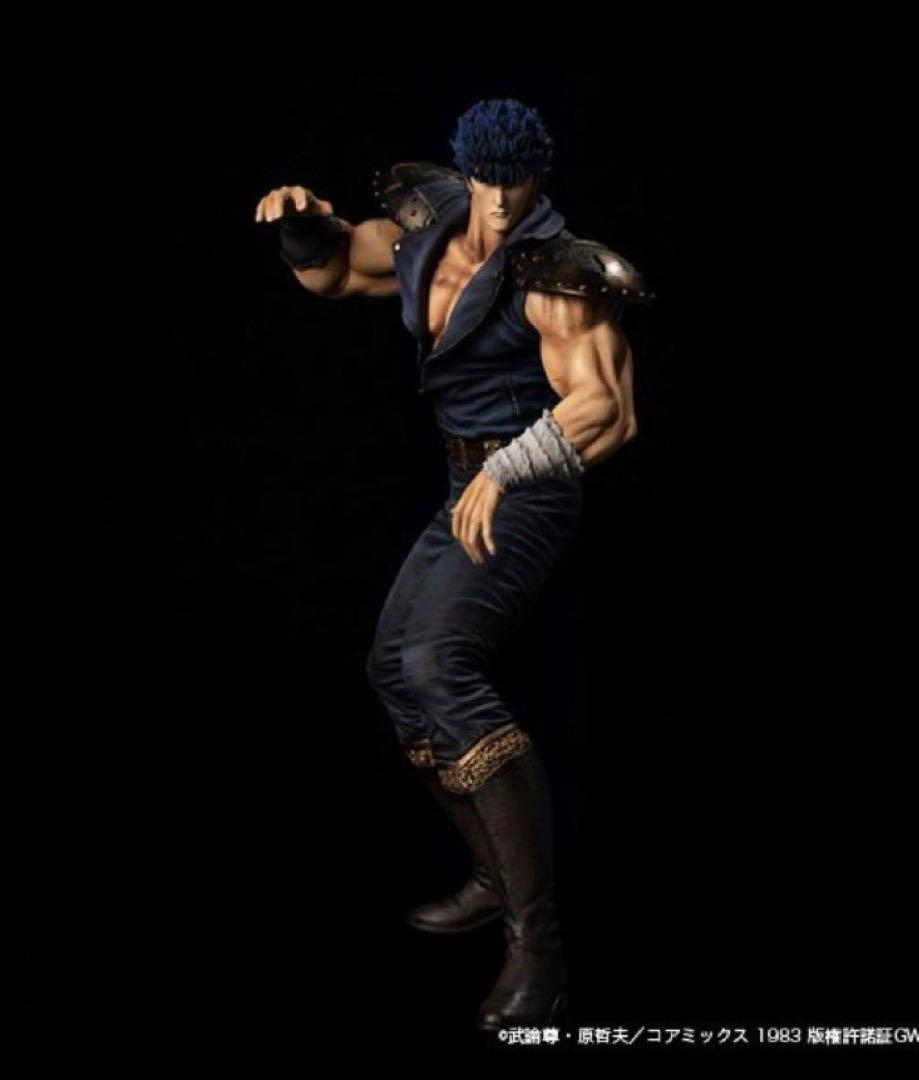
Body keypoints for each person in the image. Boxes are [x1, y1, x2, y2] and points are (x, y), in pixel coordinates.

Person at [255, 98, 653, 1032]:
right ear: (464, 172)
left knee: (439, 664)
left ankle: (537, 944)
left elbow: (609, 412)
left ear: (537, 177)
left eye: (518, 181)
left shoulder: (558, 274)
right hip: (459, 484)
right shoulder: (425, 226)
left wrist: (508, 470)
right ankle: (490, 872)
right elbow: (335, 273)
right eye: (487, 180)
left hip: (528, 487)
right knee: (392, 670)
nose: (502, 201)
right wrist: (301, 224)